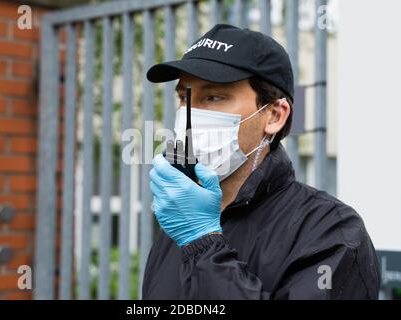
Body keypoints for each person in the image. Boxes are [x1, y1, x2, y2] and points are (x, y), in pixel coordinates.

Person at [142, 24, 380, 299]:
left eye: (214, 97)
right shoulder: (177, 226)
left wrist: (203, 243)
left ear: (275, 115)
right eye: (185, 97)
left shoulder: (330, 232)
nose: (189, 115)